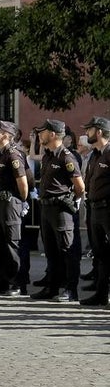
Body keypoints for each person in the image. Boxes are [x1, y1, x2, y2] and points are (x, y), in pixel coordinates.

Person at [30, 119, 85, 302]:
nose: (39, 135)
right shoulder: (48, 156)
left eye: (42, 132)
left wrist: (71, 201)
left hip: (61, 209)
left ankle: (70, 290)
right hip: (46, 208)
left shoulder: (66, 157)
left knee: (67, 250)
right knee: (51, 250)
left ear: (53, 134)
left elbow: (80, 187)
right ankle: (52, 287)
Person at [0, 121, 29, 295]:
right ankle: (2, 280)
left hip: (10, 203)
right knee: (0, 243)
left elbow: (23, 183)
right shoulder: (1, 154)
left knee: (12, 243)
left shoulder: (13, 154)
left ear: (5, 135)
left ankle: (17, 283)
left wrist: (21, 201)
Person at [80, 116, 110, 306]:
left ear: (99, 131)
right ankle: (101, 294)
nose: (86, 133)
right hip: (95, 209)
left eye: (89, 130)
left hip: (108, 209)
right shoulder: (95, 155)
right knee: (100, 254)